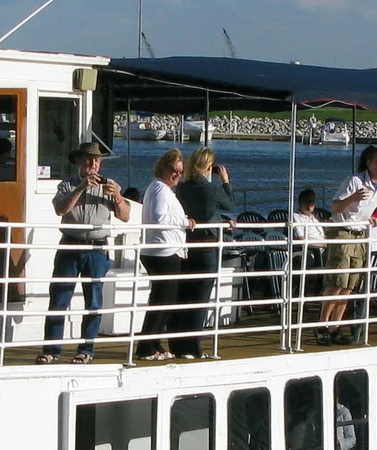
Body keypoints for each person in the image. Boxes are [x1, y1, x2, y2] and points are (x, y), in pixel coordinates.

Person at [41, 142, 129, 363]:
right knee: (60, 299)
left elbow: (125, 216)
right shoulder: (67, 185)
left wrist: (117, 197)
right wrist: (81, 188)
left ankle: (86, 350)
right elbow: (60, 209)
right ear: (79, 162)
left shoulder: (110, 185)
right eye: (88, 160)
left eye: (96, 160)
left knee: (94, 302)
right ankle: (52, 351)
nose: (93, 164)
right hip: (70, 245)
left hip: (97, 248)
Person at [322, 146, 377, 345]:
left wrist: (368, 216)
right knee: (337, 281)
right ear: (369, 163)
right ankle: (321, 325)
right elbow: (335, 206)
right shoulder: (354, 181)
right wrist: (353, 198)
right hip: (344, 232)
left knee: (349, 285)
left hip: (360, 234)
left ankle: (335, 326)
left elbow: (374, 206)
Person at [173, 147, 234, 355]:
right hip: (207, 247)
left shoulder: (182, 188)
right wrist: (225, 181)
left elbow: (204, 212)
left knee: (184, 298)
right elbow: (229, 203)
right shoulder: (210, 189)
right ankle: (194, 348)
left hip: (188, 244)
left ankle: (179, 345)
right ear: (208, 167)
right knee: (200, 299)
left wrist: (220, 220)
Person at [137, 149, 193, 363]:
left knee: (164, 300)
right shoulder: (160, 188)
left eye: (180, 171)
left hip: (164, 250)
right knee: (163, 301)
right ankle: (146, 347)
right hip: (162, 252)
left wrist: (183, 219)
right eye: (174, 170)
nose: (178, 174)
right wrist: (185, 222)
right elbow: (159, 218)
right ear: (163, 168)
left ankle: (153, 343)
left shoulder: (162, 189)